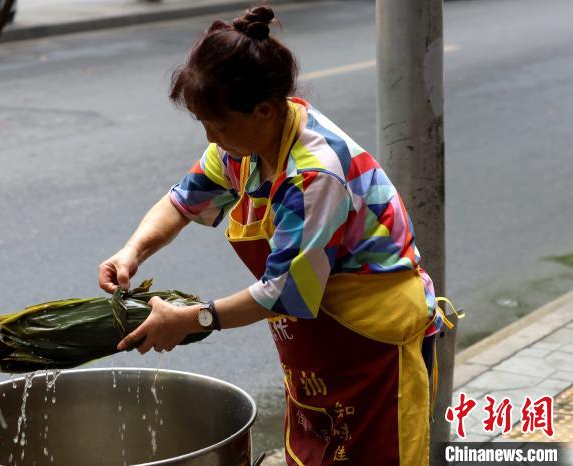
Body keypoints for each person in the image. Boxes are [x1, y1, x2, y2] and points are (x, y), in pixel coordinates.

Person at [99, 6, 447, 465]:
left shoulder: (314, 174)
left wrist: (192, 319)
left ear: (263, 109)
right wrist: (131, 252)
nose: (211, 136)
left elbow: (284, 291)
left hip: (372, 349)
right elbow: (182, 202)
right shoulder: (244, 150)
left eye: (218, 124)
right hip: (321, 350)